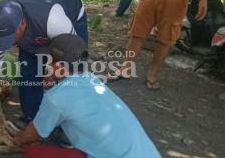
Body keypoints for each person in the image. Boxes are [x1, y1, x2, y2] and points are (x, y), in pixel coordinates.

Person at [14, 34, 161, 158]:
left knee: (33, 152)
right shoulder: (91, 79)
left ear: (58, 67)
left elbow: (32, 135)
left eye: (49, 61)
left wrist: (15, 141)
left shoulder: (56, 98)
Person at [0, 0, 88, 123]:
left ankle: (72, 124)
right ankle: (32, 118)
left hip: (70, 14)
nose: (7, 44)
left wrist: (51, 73)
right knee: (28, 74)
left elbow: (71, 56)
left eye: (9, 38)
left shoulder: (54, 20)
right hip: (35, 31)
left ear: (23, 24)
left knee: (71, 77)